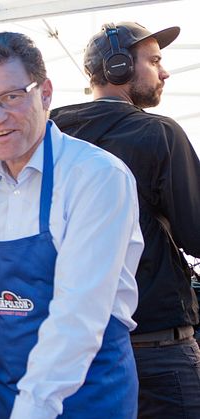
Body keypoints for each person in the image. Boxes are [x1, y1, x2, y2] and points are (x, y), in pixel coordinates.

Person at [0, 32, 144, 418]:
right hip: (14, 394)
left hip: (91, 396)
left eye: (11, 97)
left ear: (45, 93)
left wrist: (30, 410)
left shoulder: (97, 176)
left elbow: (78, 316)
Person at [50, 21, 200, 417]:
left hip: (76, 353)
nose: (164, 72)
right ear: (118, 68)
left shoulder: (46, 136)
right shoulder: (158, 133)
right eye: (153, 61)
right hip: (157, 350)